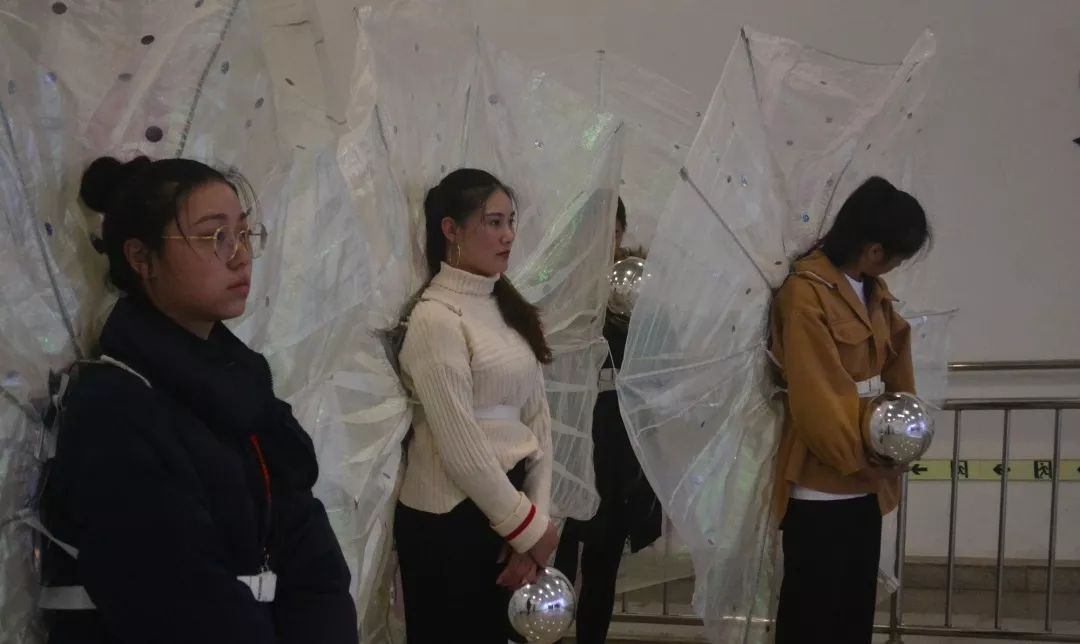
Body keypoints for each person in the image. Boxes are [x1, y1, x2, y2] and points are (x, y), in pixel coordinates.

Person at [39, 156, 358, 644]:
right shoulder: (113, 407)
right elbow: (178, 602)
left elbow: (311, 556)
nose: (240, 256)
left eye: (244, 234)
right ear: (141, 258)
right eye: (214, 237)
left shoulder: (246, 391)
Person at [392, 168, 558, 643]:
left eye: (510, 222)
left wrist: (535, 523)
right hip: (450, 520)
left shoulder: (508, 308)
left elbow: (538, 419)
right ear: (450, 229)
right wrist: (528, 529)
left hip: (509, 508)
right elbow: (460, 446)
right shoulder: (434, 317)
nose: (508, 236)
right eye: (493, 222)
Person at [769, 176, 930, 644]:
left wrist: (900, 443)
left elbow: (898, 360)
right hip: (822, 483)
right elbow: (817, 395)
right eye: (897, 256)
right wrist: (860, 460)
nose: (896, 266)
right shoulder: (806, 293)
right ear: (874, 249)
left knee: (853, 614)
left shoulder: (874, 292)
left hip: (868, 477)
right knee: (812, 616)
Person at [553, 198, 662, 644]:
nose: (605, 242)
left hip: (617, 457)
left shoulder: (640, 295)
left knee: (602, 566)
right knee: (555, 560)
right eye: (594, 232)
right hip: (566, 448)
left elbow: (661, 366)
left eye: (612, 231)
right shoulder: (559, 295)